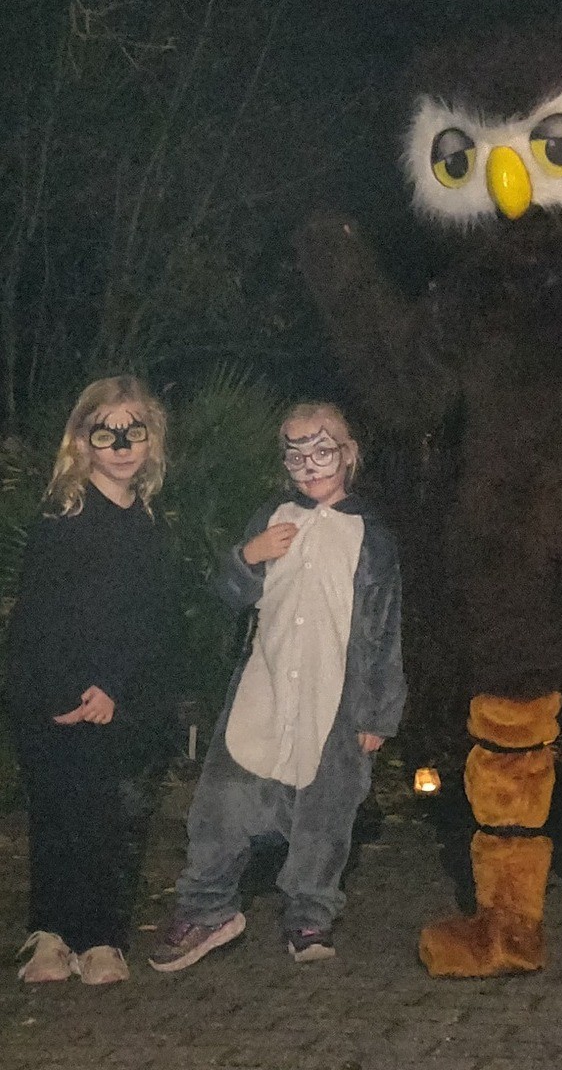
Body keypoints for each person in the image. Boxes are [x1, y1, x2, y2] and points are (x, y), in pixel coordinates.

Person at [149, 402, 406, 971]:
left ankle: (310, 913)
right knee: (220, 804)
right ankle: (208, 908)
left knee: (325, 815)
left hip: (335, 700)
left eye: (322, 451)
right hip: (261, 691)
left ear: (348, 453)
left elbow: (385, 627)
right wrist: (248, 557)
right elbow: (228, 594)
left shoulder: (371, 535)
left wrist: (378, 716)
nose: (309, 464)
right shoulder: (270, 515)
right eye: (295, 454)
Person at [8, 376, 179, 985]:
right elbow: (41, 617)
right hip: (52, 695)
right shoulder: (63, 517)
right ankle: (50, 934)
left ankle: (102, 936)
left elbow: (150, 623)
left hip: (117, 700)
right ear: (84, 441)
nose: (123, 444)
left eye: (135, 431)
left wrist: (116, 689)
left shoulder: (154, 528)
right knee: (58, 815)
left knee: (110, 818)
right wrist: (61, 693)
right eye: (107, 432)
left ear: (151, 440)